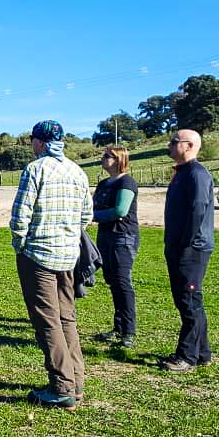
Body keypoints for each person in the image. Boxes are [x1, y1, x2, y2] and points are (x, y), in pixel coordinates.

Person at [11, 120, 93, 410]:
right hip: (68, 256)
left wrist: (20, 244)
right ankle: (76, 379)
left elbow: (21, 214)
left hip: (38, 255)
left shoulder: (35, 169)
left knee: (47, 320)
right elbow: (86, 215)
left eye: (33, 140)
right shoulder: (77, 171)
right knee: (66, 317)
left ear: (41, 142)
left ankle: (61, 386)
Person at [162, 129, 215, 373]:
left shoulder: (197, 174)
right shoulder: (182, 173)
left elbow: (198, 209)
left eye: (174, 142)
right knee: (189, 299)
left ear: (190, 145)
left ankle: (187, 357)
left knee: (189, 300)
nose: (170, 145)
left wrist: (185, 244)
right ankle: (202, 353)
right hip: (180, 247)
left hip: (191, 249)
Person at [92, 145, 140, 348]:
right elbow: (92, 205)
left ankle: (128, 331)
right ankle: (118, 327)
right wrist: (95, 214)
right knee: (112, 281)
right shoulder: (103, 183)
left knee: (122, 282)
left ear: (119, 160)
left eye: (108, 156)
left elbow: (120, 211)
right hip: (105, 236)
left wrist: (93, 216)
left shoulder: (126, 182)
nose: (104, 159)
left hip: (123, 237)